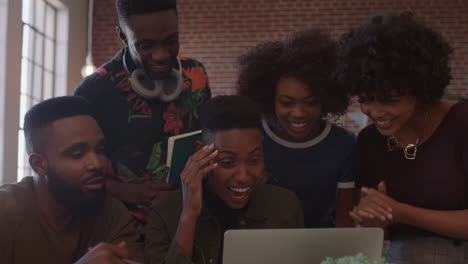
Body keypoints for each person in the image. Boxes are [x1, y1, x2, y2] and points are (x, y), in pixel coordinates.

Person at [336, 11, 468, 263]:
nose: (375, 113)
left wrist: (401, 213)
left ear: (420, 89)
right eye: (365, 100)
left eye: (389, 100)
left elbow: (397, 214)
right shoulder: (369, 141)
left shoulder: (462, 124)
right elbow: (379, 233)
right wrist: (374, 217)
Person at [74, 0, 211, 224]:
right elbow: (74, 173)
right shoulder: (93, 91)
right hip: (119, 225)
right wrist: (129, 192)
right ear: (123, 36)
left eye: (171, 41)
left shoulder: (195, 75)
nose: (161, 55)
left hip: (187, 220)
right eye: (146, 45)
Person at [144, 95, 304, 264]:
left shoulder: (285, 206)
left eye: (254, 160)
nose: (243, 177)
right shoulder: (164, 210)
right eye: (228, 162)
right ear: (202, 154)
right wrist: (189, 215)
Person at [0, 96, 143, 263]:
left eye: (100, 150)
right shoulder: (6, 213)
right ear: (39, 165)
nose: (96, 164)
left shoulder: (112, 214)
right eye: (77, 154)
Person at [238, 29, 356, 228]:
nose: (299, 113)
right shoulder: (252, 138)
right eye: (286, 103)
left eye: (310, 103)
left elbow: (345, 220)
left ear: (326, 99)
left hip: (322, 245)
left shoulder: (343, 144)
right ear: (270, 100)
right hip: (264, 242)